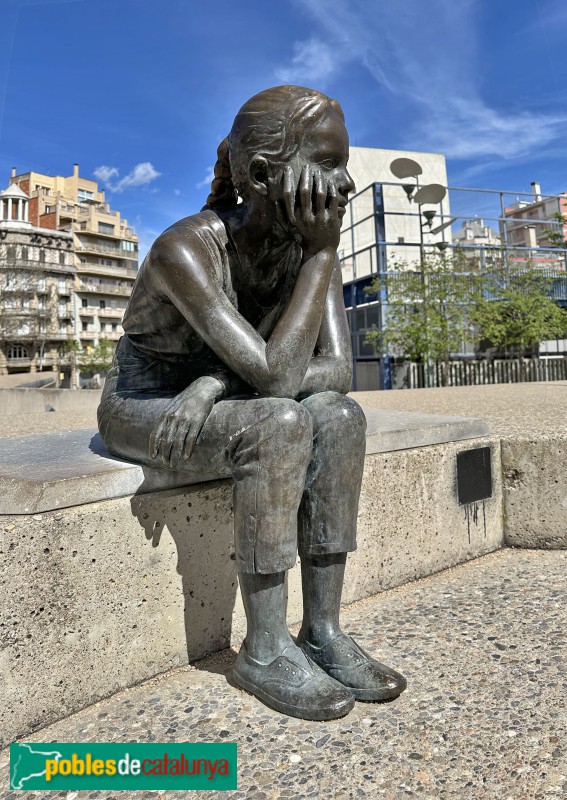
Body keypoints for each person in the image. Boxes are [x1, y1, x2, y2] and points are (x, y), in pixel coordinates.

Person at [98, 85, 406, 720]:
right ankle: (262, 648)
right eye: (327, 163)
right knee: (280, 423)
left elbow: (338, 372)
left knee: (340, 418)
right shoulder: (187, 248)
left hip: (211, 398)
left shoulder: (305, 250)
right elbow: (274, 377)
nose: (344, 184)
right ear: (263, 174)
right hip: (147, 402)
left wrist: (213, 383)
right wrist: (323, 252)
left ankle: (322, 629)